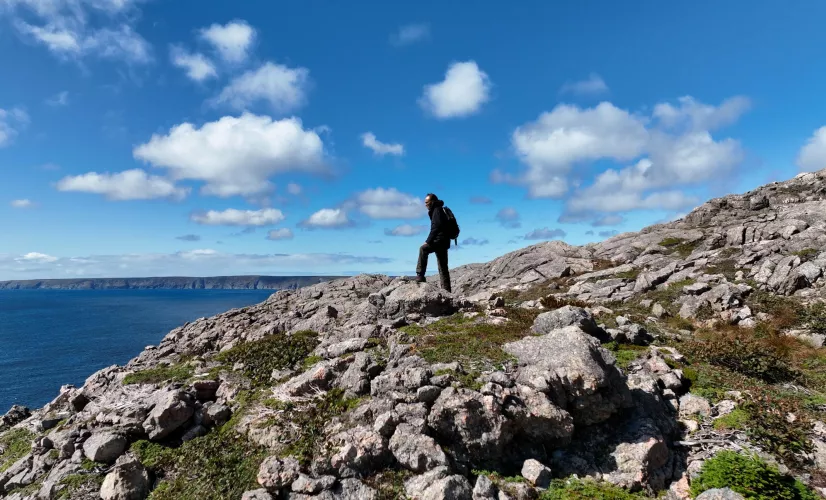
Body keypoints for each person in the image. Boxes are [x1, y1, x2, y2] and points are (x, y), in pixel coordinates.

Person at [415, 193, 451, 292]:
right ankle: (447, 291)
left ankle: (420, 275)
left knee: (423, 249)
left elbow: (436, 228)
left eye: (427, 202)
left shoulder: (437, 210)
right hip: (444, 242)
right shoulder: (439, 209)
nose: (425, 204)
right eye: (425, 202)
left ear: (432, 202)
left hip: (439, 241)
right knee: (443, 267)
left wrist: (427, 241)